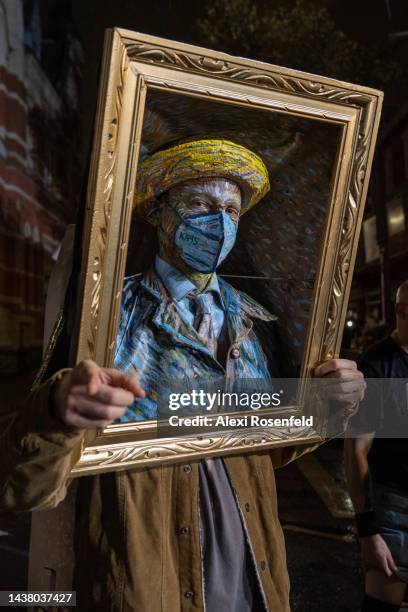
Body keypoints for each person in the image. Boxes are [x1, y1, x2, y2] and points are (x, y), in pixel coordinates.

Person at [0, 138, 365, 612]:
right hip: (151, 577)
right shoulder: (106, 317)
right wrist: (56, 413)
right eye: (201, 204)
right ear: (157, 211)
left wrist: (326, 403)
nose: (219, 223)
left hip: (254, 575)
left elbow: (260, 439)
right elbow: (18, 485)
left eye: (232, 211)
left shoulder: (255, 323)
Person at [345, 281, 408, 612]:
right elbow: (356, 453)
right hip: (395, 509)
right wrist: (368, 532)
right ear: (401, 309)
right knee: (381, 605)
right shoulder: (376, 367)